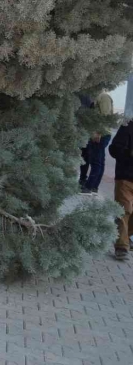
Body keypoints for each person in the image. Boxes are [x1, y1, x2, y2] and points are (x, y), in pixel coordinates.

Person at [80, 91, 115, 194]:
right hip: (98, 134)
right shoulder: (97, 97)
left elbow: (106, 116)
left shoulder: (104, 96)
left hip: (100, 135)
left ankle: (88, 187)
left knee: (96, 162)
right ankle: (94, 188)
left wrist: (98, 132)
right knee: (99, 162)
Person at [109, 119, 133, 261]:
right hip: (126, 177)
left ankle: (124, 237)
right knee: (124, 211)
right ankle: (121, 246)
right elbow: (114, 149)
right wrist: (128, 155)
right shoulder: (128, 126)